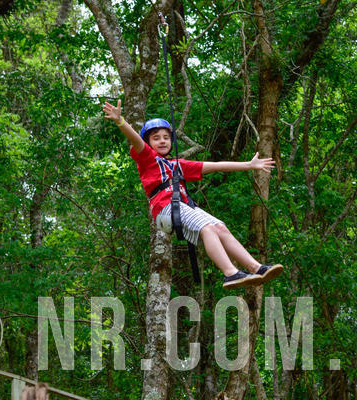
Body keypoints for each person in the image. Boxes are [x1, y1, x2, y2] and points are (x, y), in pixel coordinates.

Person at [102, 100, 283, 289]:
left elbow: (215, 166)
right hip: (165, 207)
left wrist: (248, 165)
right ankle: (230, 273)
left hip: (181, 207)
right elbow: (136, 140)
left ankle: (256, 267)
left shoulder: (178, 165)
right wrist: (120, 121)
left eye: (166, 137)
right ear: (148, 143)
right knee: (208, 228)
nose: (162, 141)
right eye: (156, 138)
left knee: (220, 227)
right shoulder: (148, 158)